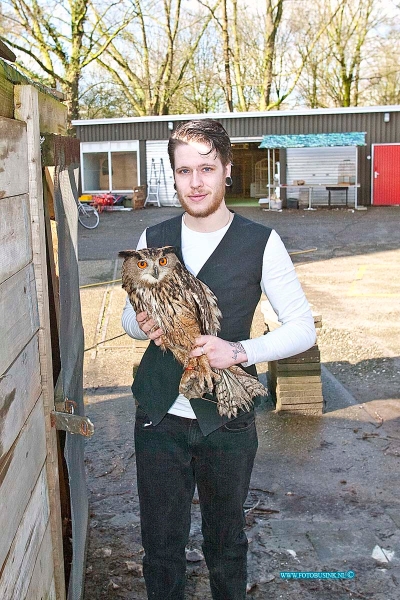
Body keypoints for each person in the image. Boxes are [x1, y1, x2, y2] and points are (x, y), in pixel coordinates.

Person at [122, 119, 316, 600]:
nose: (195, 182)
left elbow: (301, 328)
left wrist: (239, 351)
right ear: (173, 174)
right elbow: (129, 316)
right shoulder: (155, 234)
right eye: (183, 170)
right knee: (160, 549)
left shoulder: (261, 241)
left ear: (227, 170)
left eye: (206, 168)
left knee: (226, 544)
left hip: (227, 424)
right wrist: (141, 324)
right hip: (159, 417)